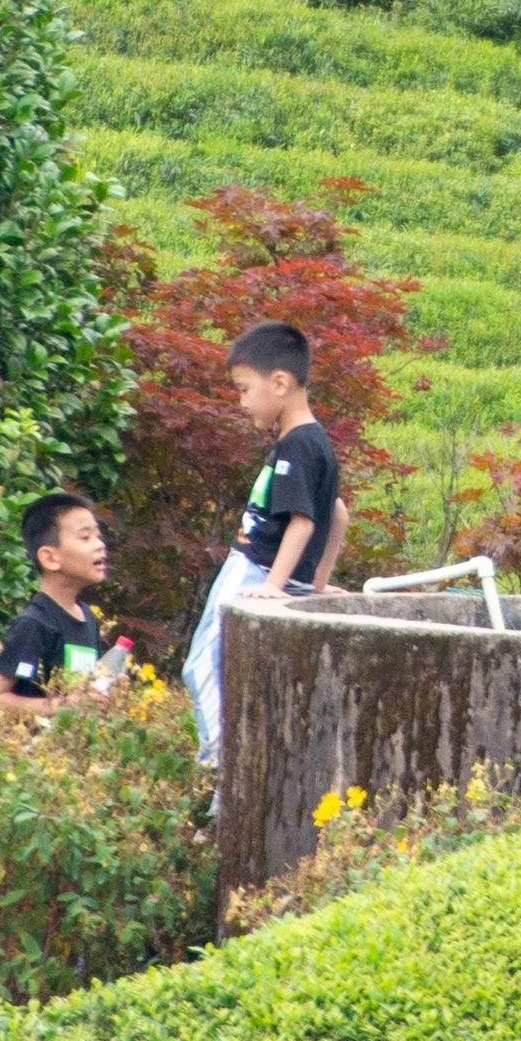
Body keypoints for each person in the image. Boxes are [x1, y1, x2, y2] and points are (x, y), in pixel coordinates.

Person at [188, 321, 339, 766]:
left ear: (279, 382)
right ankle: (225, 773)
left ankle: (218, 772)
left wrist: (275, 583)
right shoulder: (316, 443)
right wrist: (315, 583)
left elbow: (303, 523)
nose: (241, 401)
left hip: (253, 569)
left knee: (200, 669)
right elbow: (340, 513)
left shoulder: (296, 445)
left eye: (244, 389)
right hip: (275, 575)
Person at [0, 490, 129, 714]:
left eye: (98, 536)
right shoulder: (34, 623)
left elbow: (87, 695)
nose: (100, 545)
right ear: (49, 557)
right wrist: (65, 706)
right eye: (85, 537)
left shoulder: (88, 618)